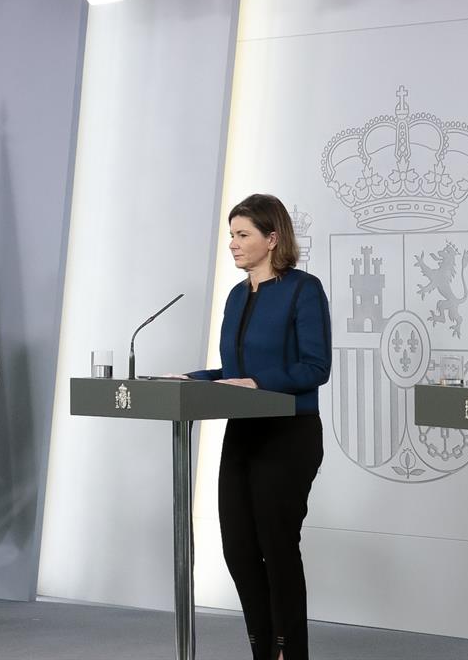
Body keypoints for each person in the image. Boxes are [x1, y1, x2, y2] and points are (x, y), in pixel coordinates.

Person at [185, 194, 331, 660]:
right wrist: (190, 379)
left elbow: (315, 367)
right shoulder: (236, 295)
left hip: (288, 434)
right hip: (243, 434)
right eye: (231, 234)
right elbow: (234, 372)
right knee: (238, 550)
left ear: (273, 239)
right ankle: (263, 650)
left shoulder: (303, 289)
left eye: (243, 234)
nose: (233, 243)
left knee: (277, 547)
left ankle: (290, 652)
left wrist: (258, 381)